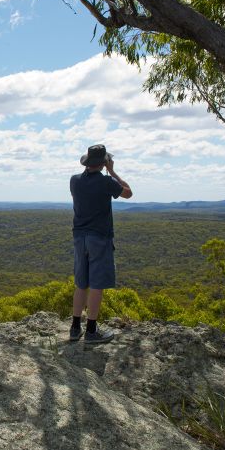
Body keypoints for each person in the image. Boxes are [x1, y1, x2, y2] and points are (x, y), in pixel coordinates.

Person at [69, 144, 132, 344]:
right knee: (96, 285)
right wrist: (112, 171)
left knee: (81, 283)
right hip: (100, 238)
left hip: (80, 238)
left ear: (87, 162)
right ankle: (91, 331)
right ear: (103, 162)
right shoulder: (106, 182)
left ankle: (74, 328)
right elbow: (128, 193)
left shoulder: (74, 181)